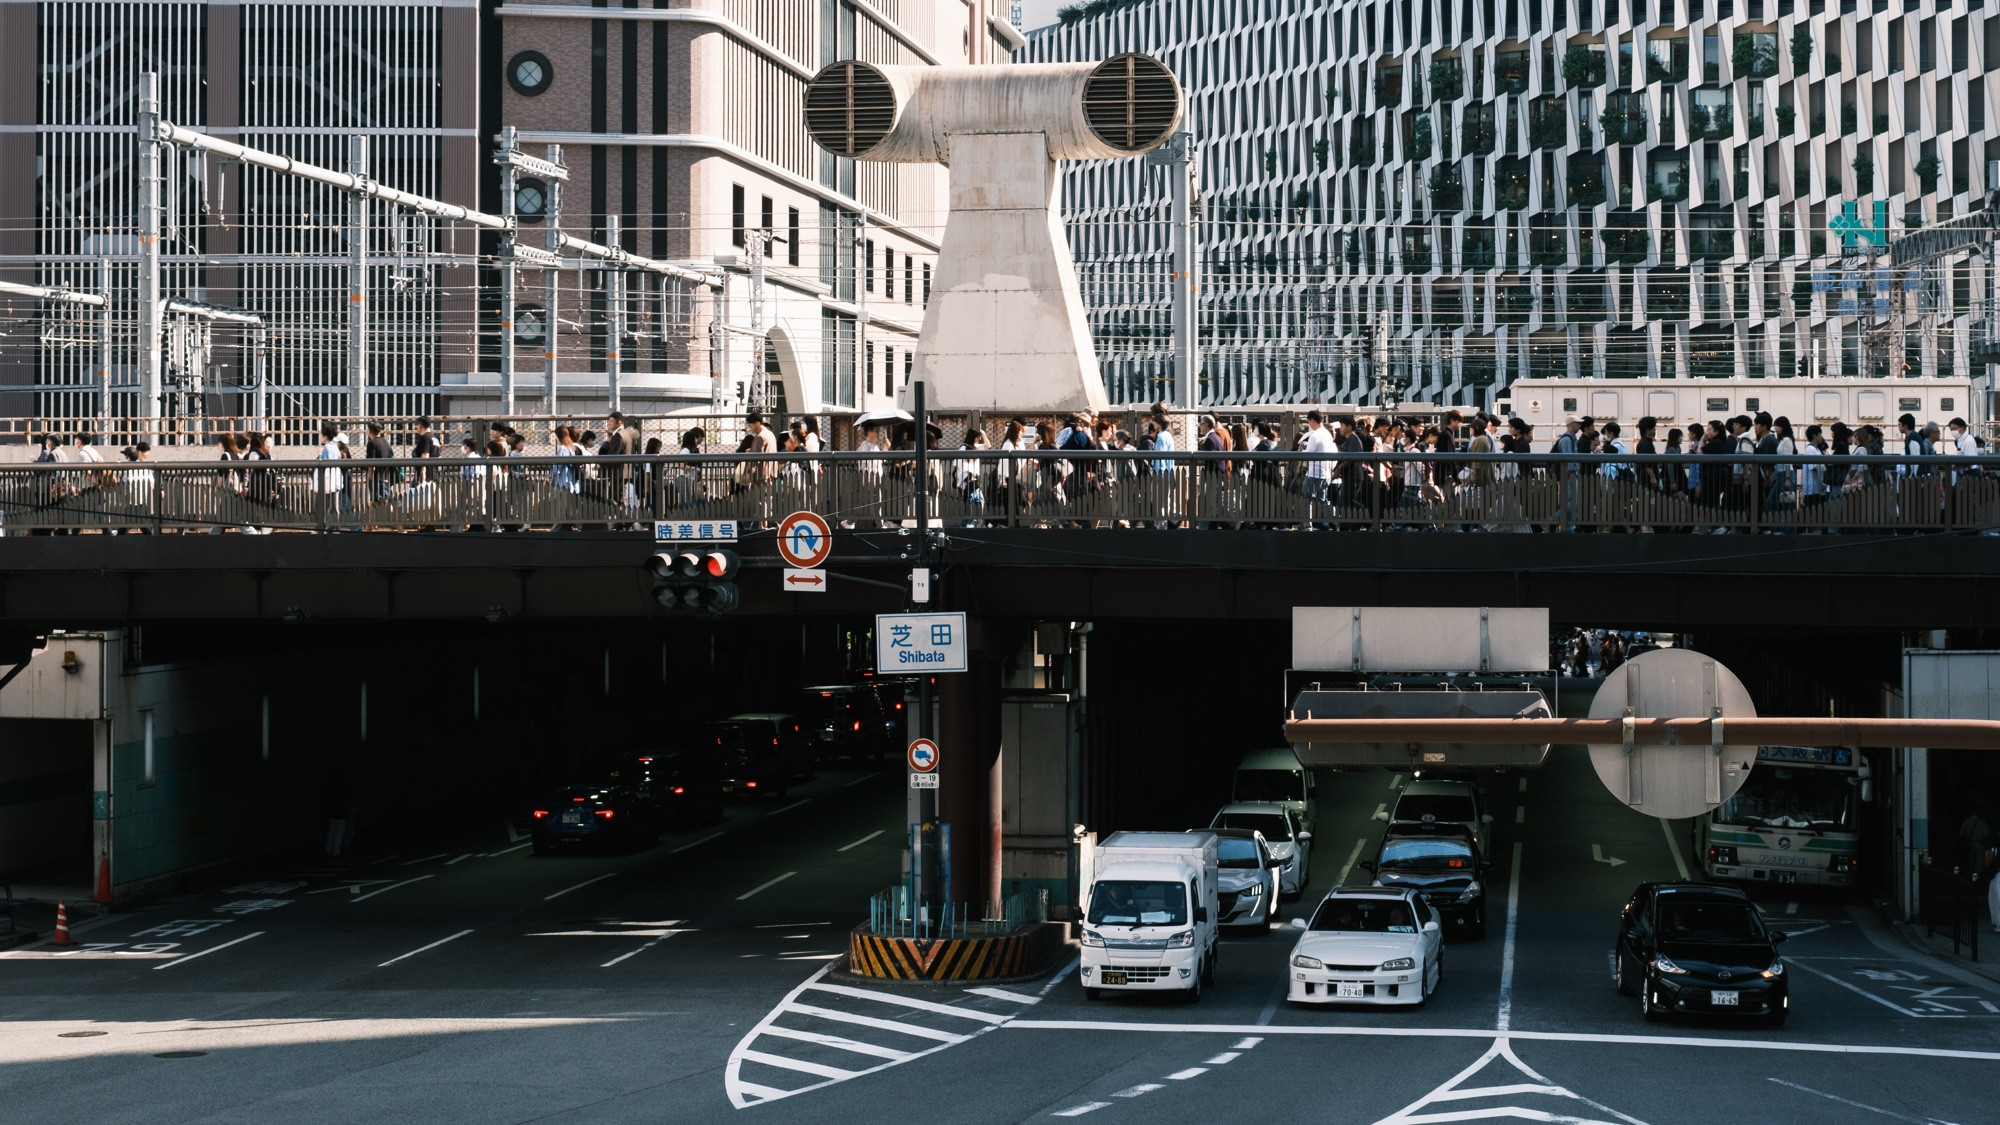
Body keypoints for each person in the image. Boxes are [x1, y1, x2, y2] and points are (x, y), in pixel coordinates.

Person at [314, 421, 345, 528]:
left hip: (327, 483)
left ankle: (324, 528)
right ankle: (334, 528)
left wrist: (319, 455)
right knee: (333, 507)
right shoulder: (335, 447)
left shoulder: (327, 448)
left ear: (325, 435)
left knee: (320, 507)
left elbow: (324, 465)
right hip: (334, 482)